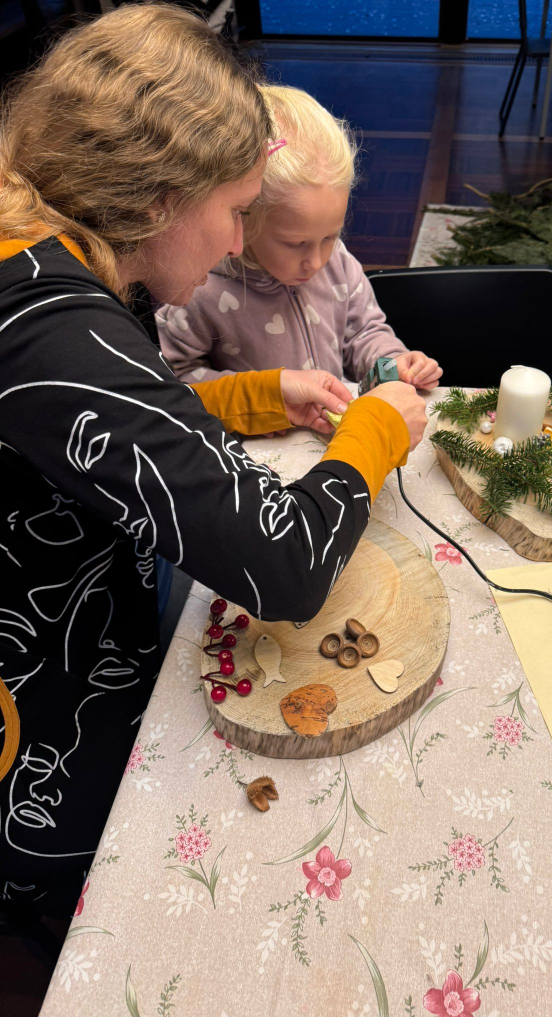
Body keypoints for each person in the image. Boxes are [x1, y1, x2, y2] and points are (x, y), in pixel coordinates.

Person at [0, 4, 426, 915]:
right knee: (95, 895)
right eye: (236, 212)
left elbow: (111, 425)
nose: (239, 243)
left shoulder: (38, 256)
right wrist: (376, 430)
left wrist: (257, 396)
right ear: (160, 196)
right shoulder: (54, 329)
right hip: (38, 714)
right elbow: (285, 565)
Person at [157, 85, 443, 392]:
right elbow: (175, 379)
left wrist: (395, 364)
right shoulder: (198, 290)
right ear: (244, 216)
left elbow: (364, 334)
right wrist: (262, 392)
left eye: (330, 236)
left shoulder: (338, 263)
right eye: (295, 244)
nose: (316, 262)